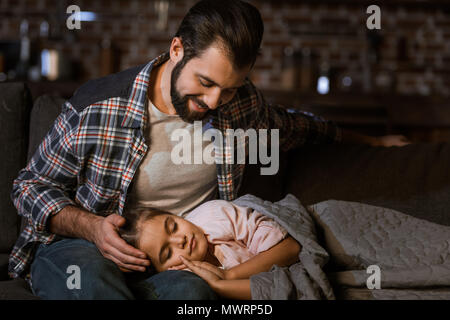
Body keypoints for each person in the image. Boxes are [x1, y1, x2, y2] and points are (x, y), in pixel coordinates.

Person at [9, 0, 410, 299]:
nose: (216, 101)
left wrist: (373, 143)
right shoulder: (99, 106)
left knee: (195, 297)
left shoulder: (239, 106)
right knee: (91, 282)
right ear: (177, 50)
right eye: (204, 83)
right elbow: (28, 186)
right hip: (86, 246)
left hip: (180, 260)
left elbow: (298, 126)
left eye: (230, 87)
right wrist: (91, 227)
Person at [119, 200, 301, 300]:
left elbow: (291, 248)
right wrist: (219, 287)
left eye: (173, 226)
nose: (180, 240)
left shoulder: (213, 216)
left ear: (175, 216)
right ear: (164, 273)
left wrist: (228, 279)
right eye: (167, 253)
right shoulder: (188, 281)